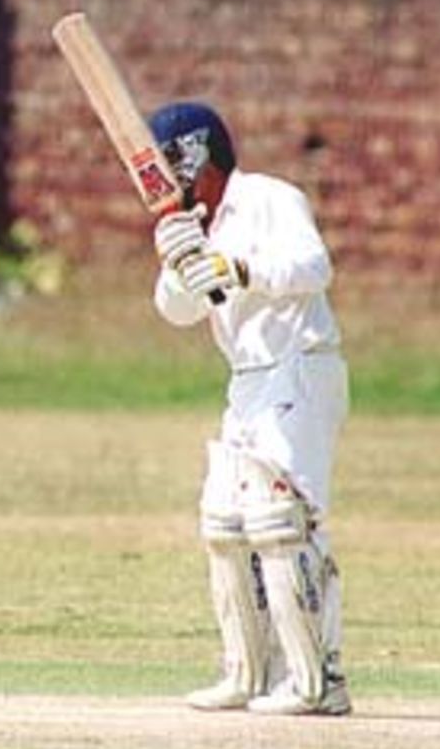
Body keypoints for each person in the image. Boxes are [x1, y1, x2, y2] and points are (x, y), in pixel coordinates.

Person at [148, 102, 350, 716]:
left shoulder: (270, 197)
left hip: (300, 366)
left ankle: (318, 681)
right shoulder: (195, 221)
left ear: (195, 151)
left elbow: (316, 268)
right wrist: (180, 265)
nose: (159, 176)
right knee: (224, 524)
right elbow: (177, 312)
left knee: (280, 523)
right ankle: (249, 672)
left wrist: (240, 267)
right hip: (247, 380)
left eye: (167, 160)